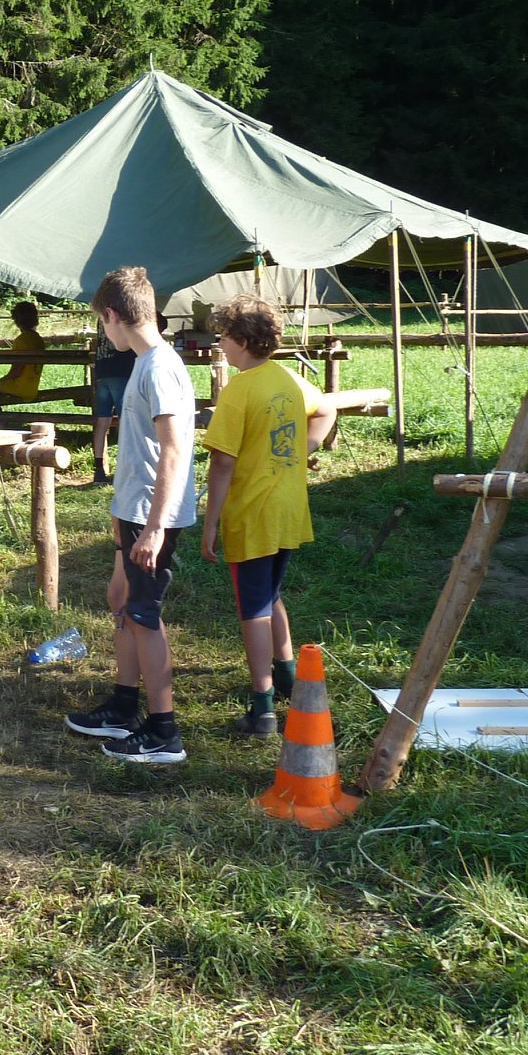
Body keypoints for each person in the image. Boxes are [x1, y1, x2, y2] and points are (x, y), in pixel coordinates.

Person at [64, 268, 199, 764]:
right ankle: (124, 708)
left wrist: (155, 527)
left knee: (144, 616)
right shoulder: (145, 363)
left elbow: (173, 452)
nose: (104, 332)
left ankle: (165, 732)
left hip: (152, 516)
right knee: (121, 601)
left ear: (113, 315)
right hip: (134, 512)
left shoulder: (160, 366)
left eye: (102, 323)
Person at [200, 295, 337, 737]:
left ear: (241, 341)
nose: (219, 344)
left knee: (253, 607)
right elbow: (327, 409)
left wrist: (210, 521)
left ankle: (262, 707)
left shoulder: (239, 390)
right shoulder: (290, 378)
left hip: (253, 511)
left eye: (222, 337)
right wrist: (305, 449)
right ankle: (287, 677)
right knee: (271, 593)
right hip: (288, 506)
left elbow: (222, 463)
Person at [88, 321, 136, 487]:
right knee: (126, 421)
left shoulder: (103, 315)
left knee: (102, 421)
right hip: (121, 370)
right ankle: (124, 467)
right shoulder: (123, 313)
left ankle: (99, 468)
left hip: (102, 370)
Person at [0, 301, 46, 412]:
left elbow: (15, 372)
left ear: (17, 320)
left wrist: (0, 381)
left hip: (19, 387)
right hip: (32, 388)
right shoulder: (38, 339)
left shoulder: (21, 341)